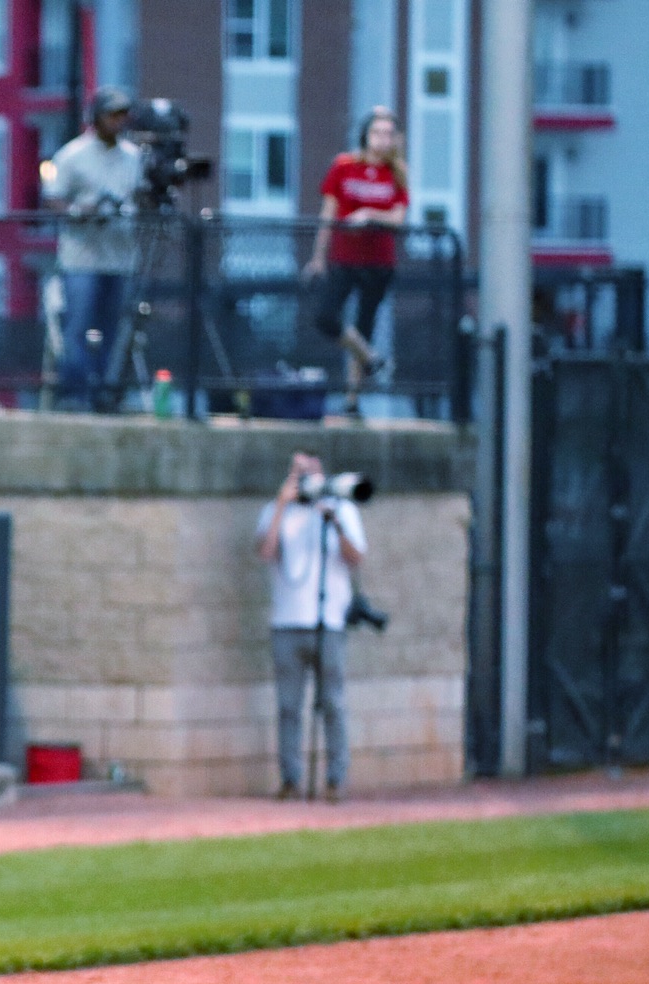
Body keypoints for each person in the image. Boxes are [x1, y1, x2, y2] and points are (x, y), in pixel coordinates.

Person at [256, 452, 367, 801]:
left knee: (332, 702)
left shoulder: (342, 510)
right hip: (287, 621)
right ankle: (291, 778)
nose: (305, 480)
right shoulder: (277, 510)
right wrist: (280, 506)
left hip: (328, 621)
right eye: (298, 473)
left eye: (310, 473)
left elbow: (355, 557)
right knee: (288, 706)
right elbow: (265, 552)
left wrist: (333, 519)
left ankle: (336, 778)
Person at [306, 107, 411, 417]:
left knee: (365, 323)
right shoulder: (344, 166)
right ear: (366, 135)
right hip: (344, 257)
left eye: (389, 134)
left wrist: (369, 215)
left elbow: (398, 217)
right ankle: (370, 357)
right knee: (327, 316)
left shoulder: (398, 172)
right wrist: (318, 255)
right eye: (377, 133)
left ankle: (352, 400)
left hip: (379, 262)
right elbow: (328, 212)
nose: (382, 140)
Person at [46, 88, 144, 412]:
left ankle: (107, 393)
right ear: (96, 117)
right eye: (112, 114)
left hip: (121, 257)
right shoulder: (72, 155)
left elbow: (144, 198)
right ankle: (75, 395)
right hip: (82, 258)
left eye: (122, 114)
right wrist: (82, 210)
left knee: (114, 330)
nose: (119, 121)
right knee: (79, 325)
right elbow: (54, 198)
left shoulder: (134, 156)